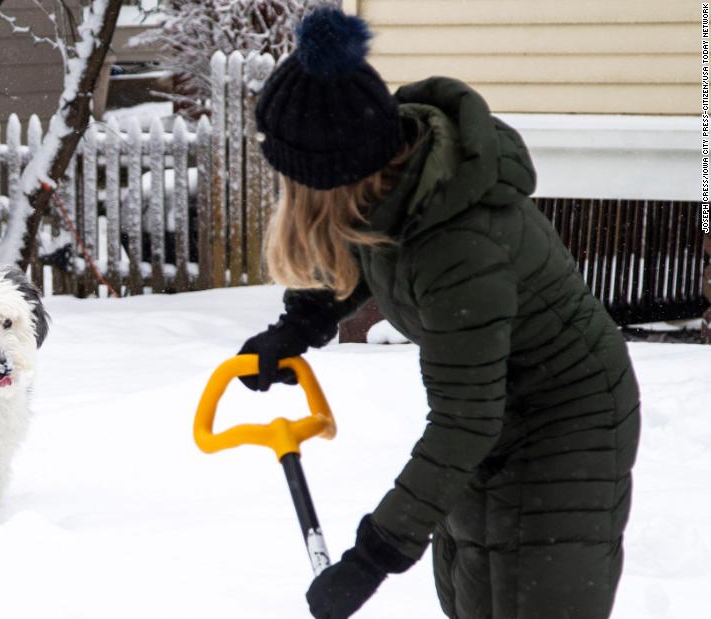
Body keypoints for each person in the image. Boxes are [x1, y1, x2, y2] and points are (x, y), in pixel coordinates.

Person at [237, 7, 641, 619]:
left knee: (532, 594)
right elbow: (362, 242)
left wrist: (371, 557)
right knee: (474, 587)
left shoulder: (460, 245)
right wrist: (301, 325)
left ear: (337, 175)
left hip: (567, 425)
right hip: (494, 412)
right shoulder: (397, 181)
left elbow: (463, 423)